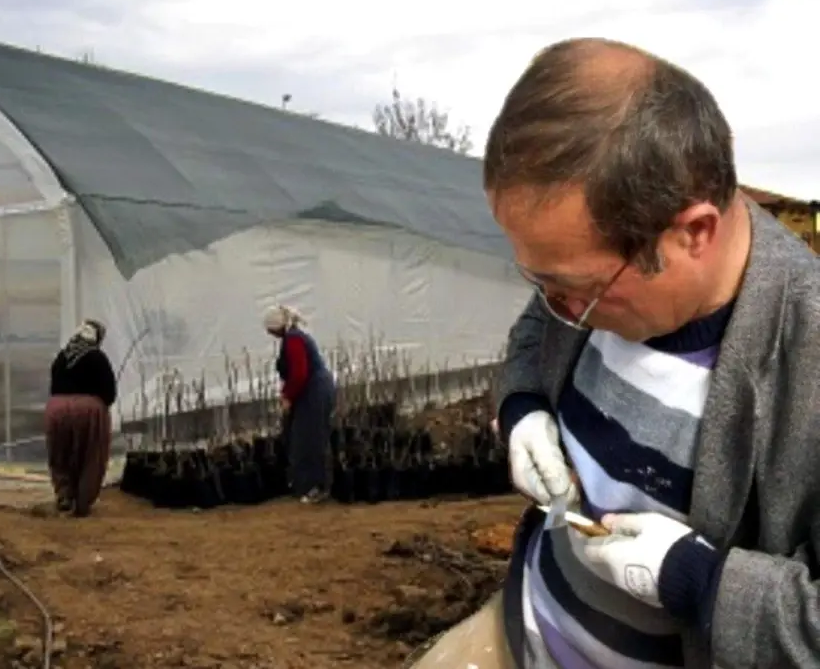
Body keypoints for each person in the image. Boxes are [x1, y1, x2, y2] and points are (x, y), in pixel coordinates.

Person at [412, 38, 820, 669]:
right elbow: (535, 329)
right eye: (541, 283)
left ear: (693, 232)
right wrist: (522, 407)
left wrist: (698, 581)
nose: (559, 310)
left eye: (575, 289)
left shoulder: (806, 356)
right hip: (522, 632)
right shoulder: (591, 277)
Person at [263, 304, 335, 505]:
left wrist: (287, 396)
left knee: (309, 439)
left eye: (270, 329)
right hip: (312, 391)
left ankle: (315, 487)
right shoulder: (294, 337)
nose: (270, 334)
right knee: (304, 436)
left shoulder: (294, 340)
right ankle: (307, 484)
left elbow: (300, 374)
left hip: (314, 392)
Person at [45, 319, 117, 517]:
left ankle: (64, 494)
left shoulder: (60, 358)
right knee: (90, 456)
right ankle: (83, 502)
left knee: (60, 454)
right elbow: (109, 394)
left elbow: (53, 388)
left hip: (57, 410)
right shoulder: (97, 357)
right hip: (88, 411)